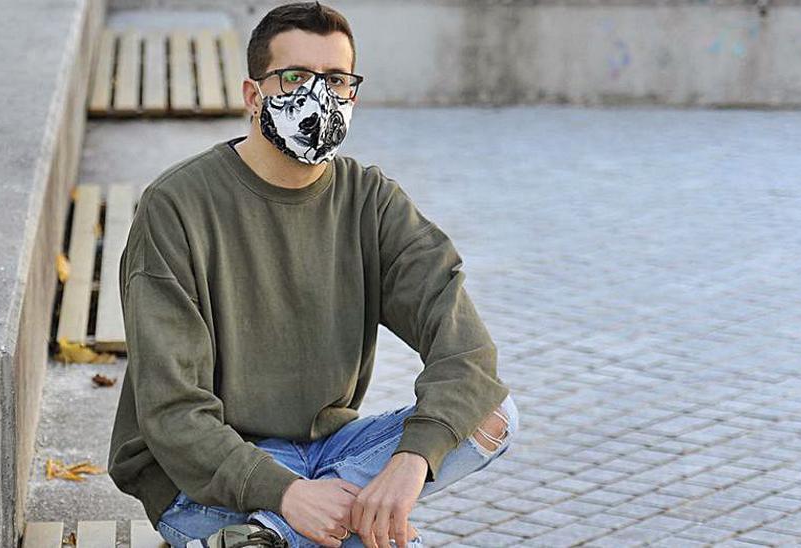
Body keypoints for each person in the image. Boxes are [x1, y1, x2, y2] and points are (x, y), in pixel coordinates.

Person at [105, 3, 520, 547]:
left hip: (330, 451)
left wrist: (410, 463)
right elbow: (172, 410)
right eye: (296, 77)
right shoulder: (177, 206)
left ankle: (265, 535)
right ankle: (280, 521)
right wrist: (288, 493)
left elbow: (466, 353)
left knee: (494, 412)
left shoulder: (371, 202)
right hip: (200, 476)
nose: (319, 96)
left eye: (337, 80)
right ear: (254, 96)